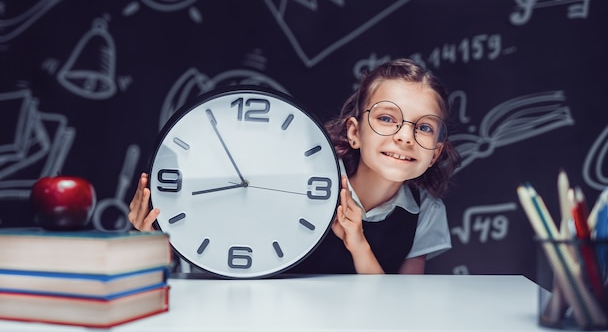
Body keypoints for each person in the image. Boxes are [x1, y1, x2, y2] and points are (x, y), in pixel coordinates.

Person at [128, 58, 461, 274]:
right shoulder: (302, 179)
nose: (405, 136)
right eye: (387, 118)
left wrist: (357, 242)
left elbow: (401, 306)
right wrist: (148, 242)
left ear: (435, 152)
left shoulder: (426, 213)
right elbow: (223, 246)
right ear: (355, 132)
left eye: (424, 127)